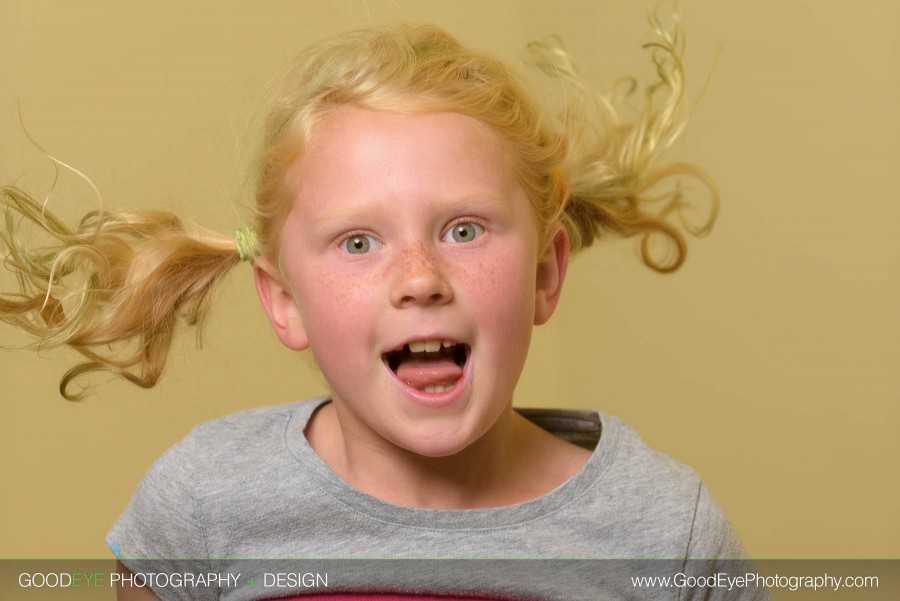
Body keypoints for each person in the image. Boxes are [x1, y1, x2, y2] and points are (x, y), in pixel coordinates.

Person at [1, 13, 767, 601]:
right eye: (359, 242)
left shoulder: (665, 532)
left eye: (463, 229)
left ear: (544, 271)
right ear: (284, 300)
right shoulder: (204, 506)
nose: (418, 277)